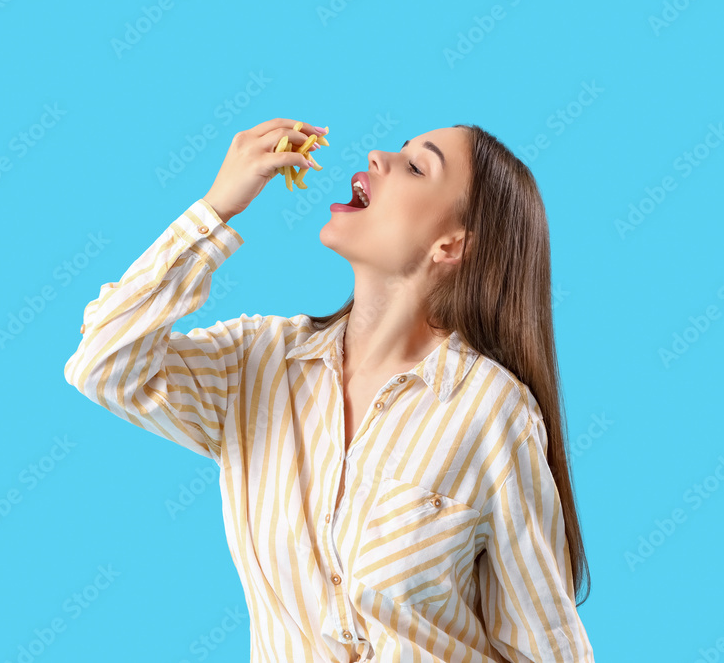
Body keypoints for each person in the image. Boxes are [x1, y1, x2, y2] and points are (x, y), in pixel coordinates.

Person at [63, 117, 595, 662]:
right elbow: (104, 362)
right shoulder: (257, 365)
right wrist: (216, 210)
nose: (377, 157)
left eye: (416, 166)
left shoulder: (491, 411)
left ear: (451, 244)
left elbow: (546, 649)